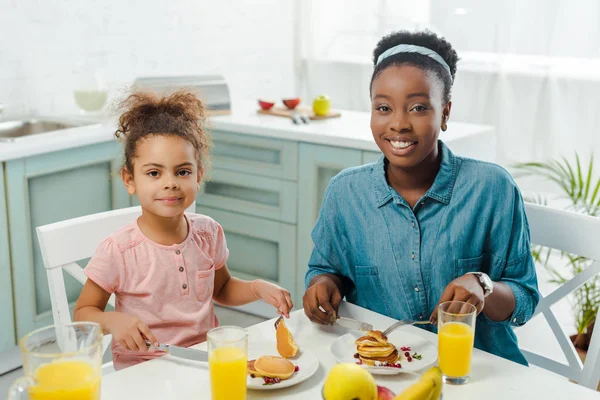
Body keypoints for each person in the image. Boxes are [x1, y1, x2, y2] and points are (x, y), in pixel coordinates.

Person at [302, 30, 539, 365]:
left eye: (417, 108)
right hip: (384, 367)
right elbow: (325, 269)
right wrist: (322, 285)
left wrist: (482, 285)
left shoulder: (492, 189)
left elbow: (525, 298)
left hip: (477, 371)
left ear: (445, 113)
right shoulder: (345, 193)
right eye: (383, 107)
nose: (398, 124)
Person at [74, 90, 293, 370]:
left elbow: (222, 288)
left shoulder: (208, 233)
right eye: (154, 173)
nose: (170, 183)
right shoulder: (119, 249)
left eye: (182, 171)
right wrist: (113, 320)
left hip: (204, 360)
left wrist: (257, 288)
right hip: (143, 369)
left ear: (199, 175)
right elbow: (83, 313)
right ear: (130, 180)